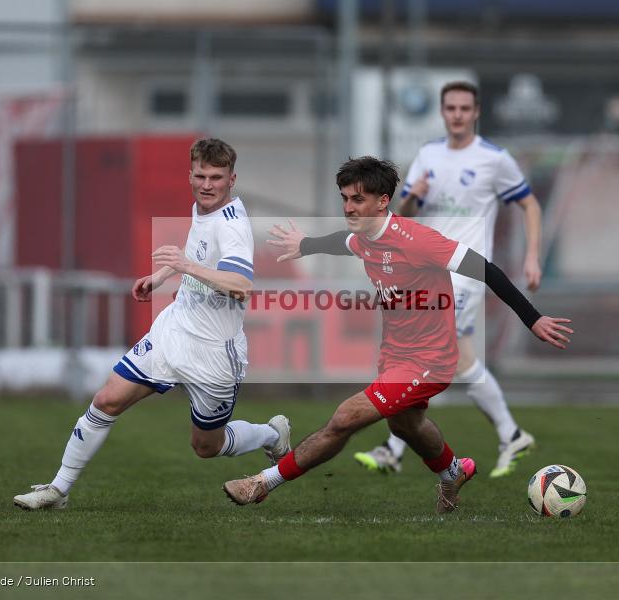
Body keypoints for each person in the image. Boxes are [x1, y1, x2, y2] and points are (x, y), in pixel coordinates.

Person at [222, 157, 572, 513]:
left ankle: (262, 483)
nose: (348, 207)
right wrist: (307, 244)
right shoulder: (365, 237)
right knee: (407, 426)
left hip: (430, 360)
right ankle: (453, 471)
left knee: (344, 419)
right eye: (344, 198)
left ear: (383, 200)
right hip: (395, 354)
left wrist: (533, 319)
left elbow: (488, 271)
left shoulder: (418, 241)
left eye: (357, 200)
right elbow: (345, 242)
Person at [13, 138, 290, 510]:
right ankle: (58, 490)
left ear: (232, 179)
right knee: (107, 400)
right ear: (190, 175)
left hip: (213, 354)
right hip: (173, 331)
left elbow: (241, 286)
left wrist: (184, 266)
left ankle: (271, 435)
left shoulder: (233, 226)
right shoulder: (203, 208)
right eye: (200, 176)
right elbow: (197, 253)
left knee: (206, 446)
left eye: (216, 178)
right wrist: (162, 275)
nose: (207, 184)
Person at [354, 81, 544, 478]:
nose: (457, 114)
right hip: (427, 272)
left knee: (421, 350)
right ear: (442, 112)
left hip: (467, 274)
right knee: (461, 360)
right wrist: (414, 195)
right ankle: (511, 434)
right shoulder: (428, 155)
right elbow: (400, 213)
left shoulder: (495, 159)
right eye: (450, 108)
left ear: (476, 113)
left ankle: (393, 447)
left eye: (464, 108)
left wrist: (531, 255)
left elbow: (529, 204)